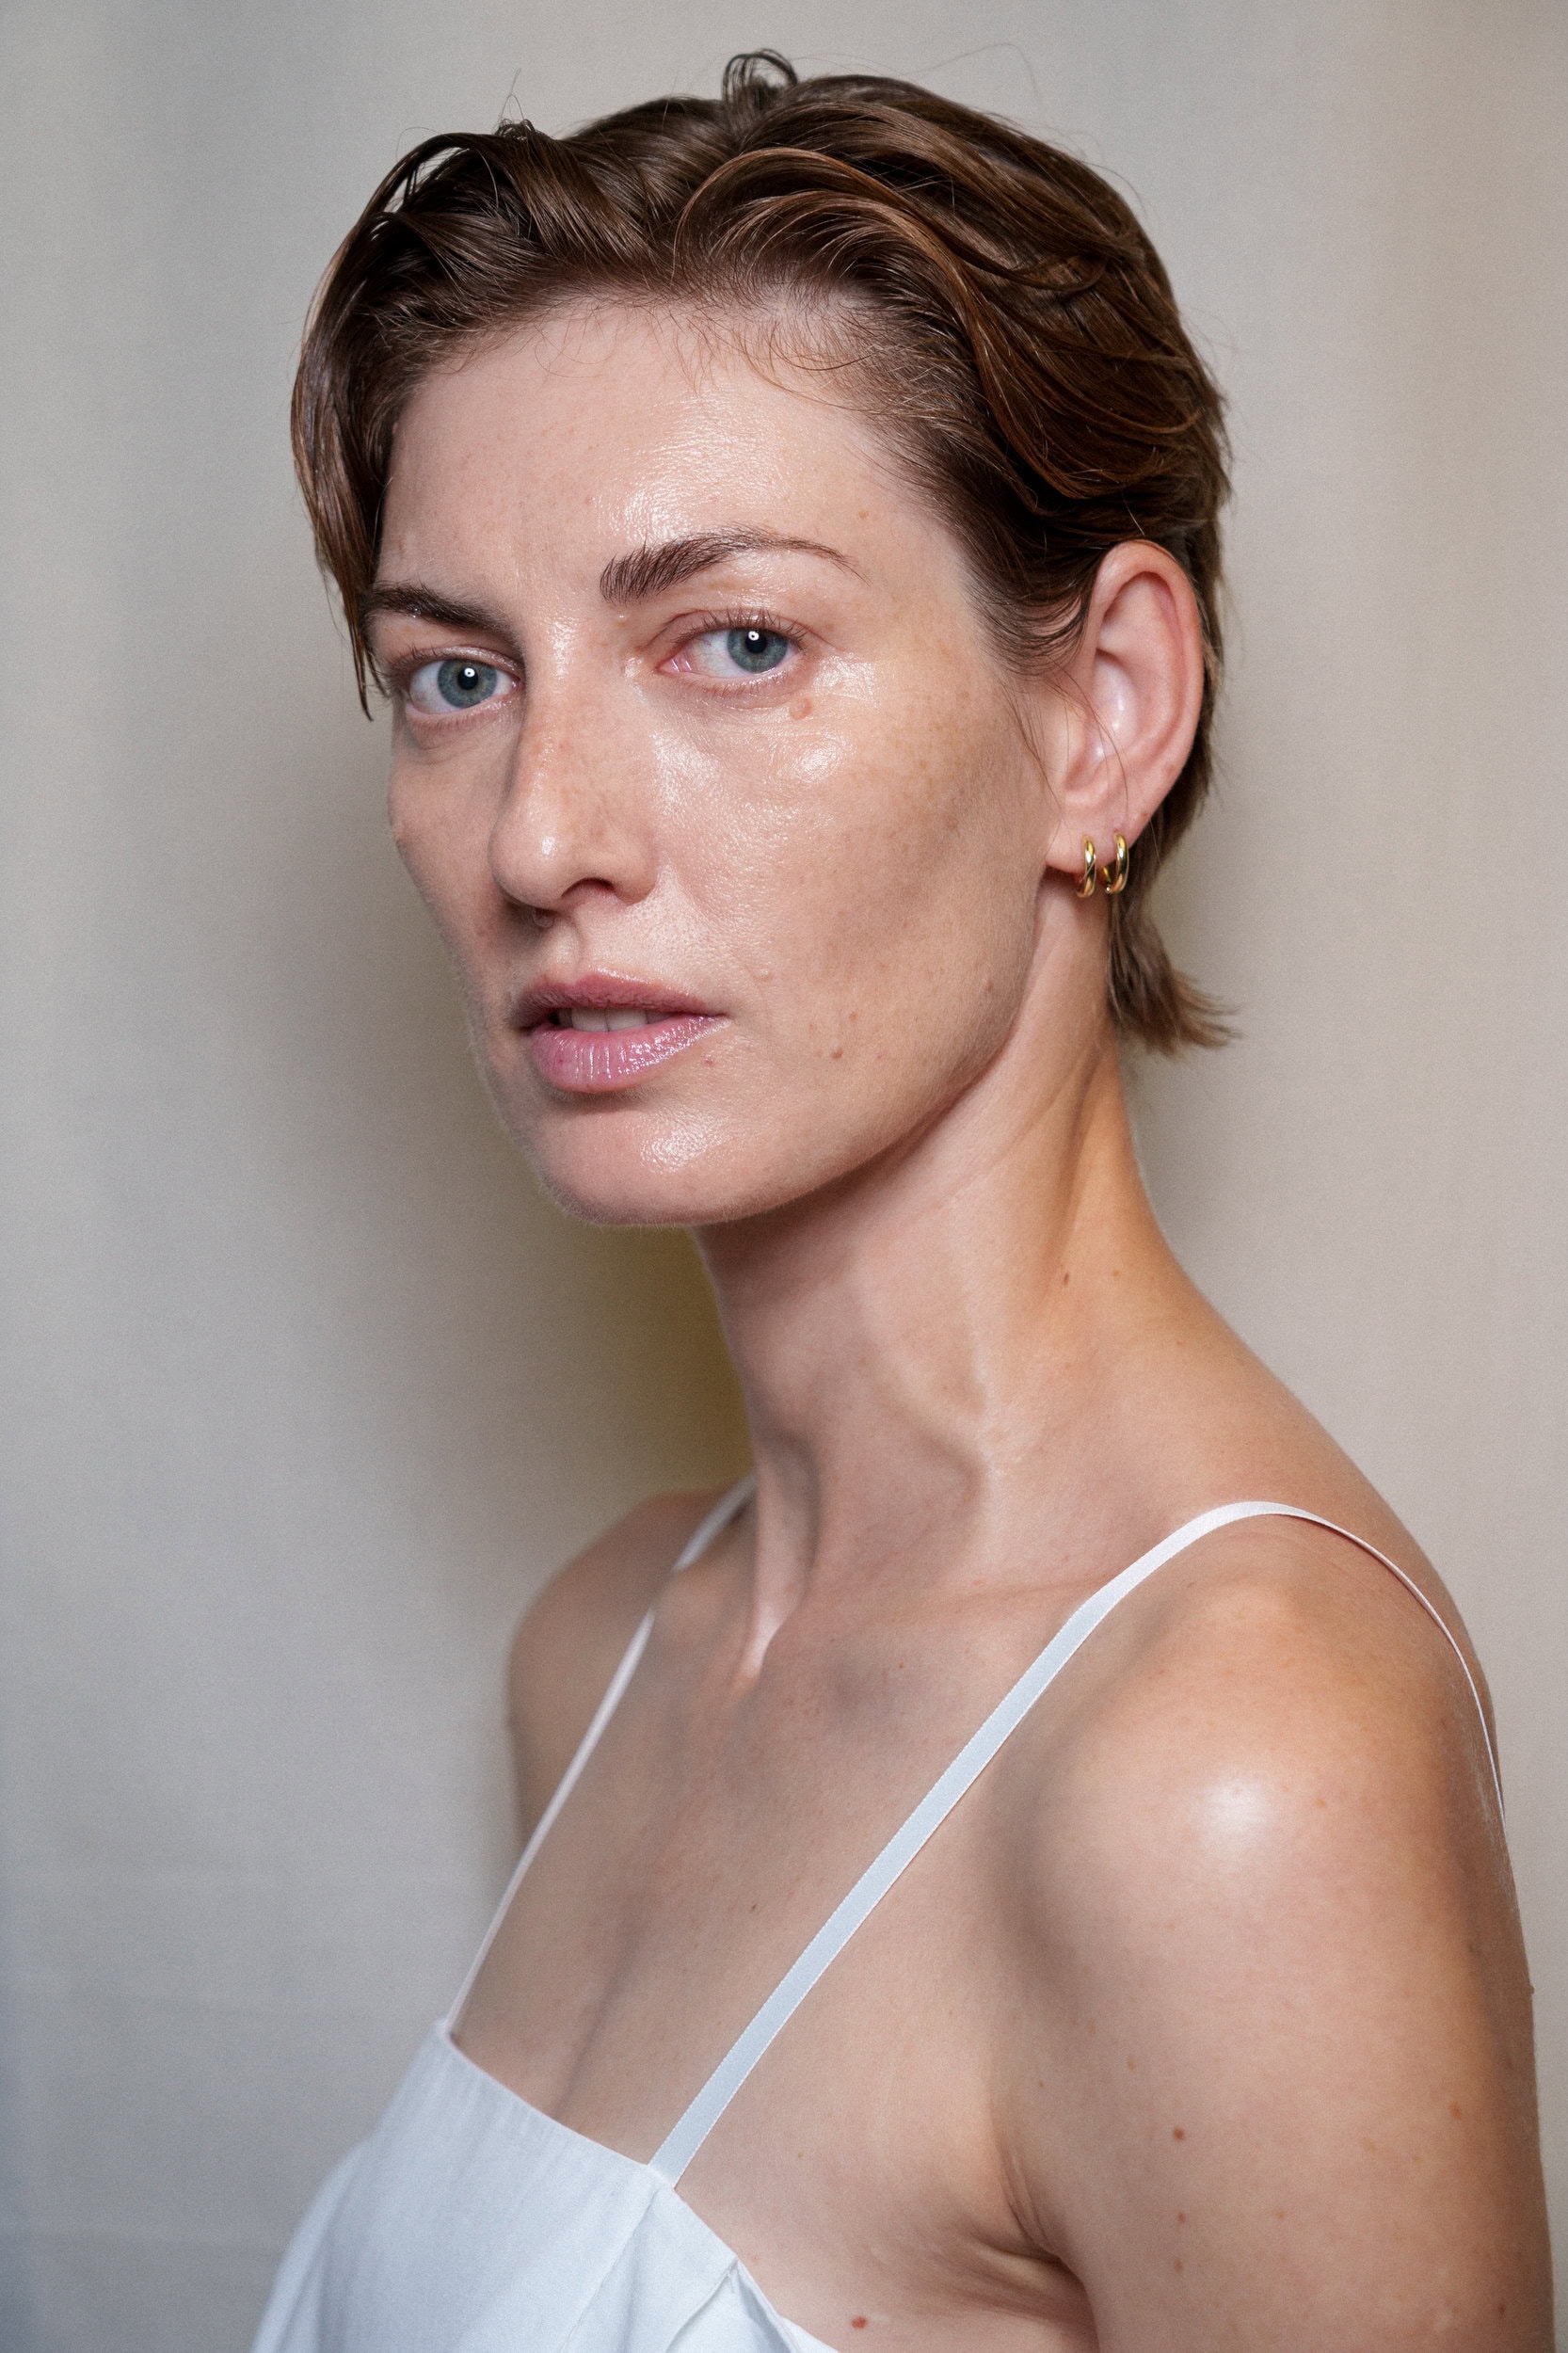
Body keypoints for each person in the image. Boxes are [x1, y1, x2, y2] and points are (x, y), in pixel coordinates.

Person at [253, 52, 1551, 2353]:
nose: (542, 834)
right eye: (454, 674)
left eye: (735, 641)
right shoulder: (603, 1649)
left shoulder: (1226, 1771)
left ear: (1102, 712)